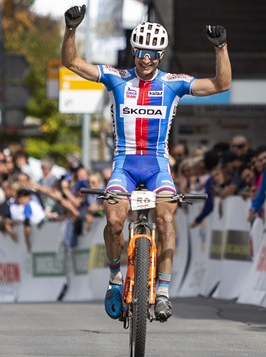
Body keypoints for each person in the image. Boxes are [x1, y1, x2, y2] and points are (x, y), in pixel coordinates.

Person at [61, 4, 231, 321]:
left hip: (157, 167)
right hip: (125, 166)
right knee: (113, 220)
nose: (146, 58)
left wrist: (221, 48)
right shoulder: (116, 78)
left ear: (161, 55)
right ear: (133, 50)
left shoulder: (173, 83)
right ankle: (114, 280)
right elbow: (71, 62)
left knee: (166, 217)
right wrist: (71, 29)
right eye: (141, 51)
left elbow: (221, 85)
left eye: (153, 53)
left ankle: (163, 291)